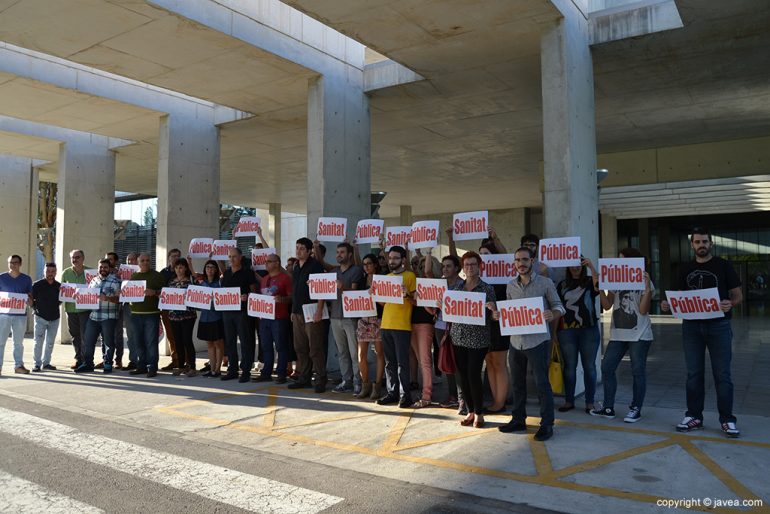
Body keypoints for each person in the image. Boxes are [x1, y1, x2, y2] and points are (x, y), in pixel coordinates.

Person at [661, 227, 742, 437]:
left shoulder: (724, 265)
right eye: (697, 242)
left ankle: (727, 420)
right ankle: (694, 416)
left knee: (722, 374)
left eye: (705, 242)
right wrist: (668, 305)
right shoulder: (685, 269)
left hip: (719, 326)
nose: (701, 245)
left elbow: (737, 295)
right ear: (692, 245)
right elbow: (678, 297)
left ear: (711, 244)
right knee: (693, 374)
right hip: (692, 327)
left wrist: (730, 303)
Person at [497, 246, 564, 441]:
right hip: (516, 342)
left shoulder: (545, 283)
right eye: (517, 260)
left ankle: (547, 424)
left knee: (542, 384)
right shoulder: (510, 286)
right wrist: (498, 315)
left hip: (538, 341)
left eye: (525, 260)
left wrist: (553, 314)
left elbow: (559, 306)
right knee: (517, 384)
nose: (521, 264)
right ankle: (518, 420)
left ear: (532, 261)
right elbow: (508, 313)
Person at [591, 248, 654, 424]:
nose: (618, 263)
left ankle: (636, 409)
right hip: (618, 334)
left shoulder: (644, 280)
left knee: (637, 372)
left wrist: (647, 288)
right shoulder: (614, 279)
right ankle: (608, 407)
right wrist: (601, 289)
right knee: (607, 367)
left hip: (640, 335)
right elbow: (607, 305)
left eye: (622, 260)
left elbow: (643, 310)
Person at [448, 252, 497, 428]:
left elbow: (494, 317)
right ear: (463, 267)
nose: (470, 267)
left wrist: (493, 311)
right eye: (467, 264)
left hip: (479, 339)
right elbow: (449, 312)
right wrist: (442, 306)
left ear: (479, 266)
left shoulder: (487, 289)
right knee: (462, 377)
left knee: (474, 374)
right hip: (458, 337)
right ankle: (470, 411)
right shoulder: (456, 288)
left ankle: (479, 413)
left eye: (473, 264)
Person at [316, 241, 364, 394]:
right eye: (337, 252)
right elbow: (321, 263)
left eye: (342, 252)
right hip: (335, 316)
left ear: (349, 254)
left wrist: (343, 287)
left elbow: (354, 294)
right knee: (342, 352)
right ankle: (346, 380)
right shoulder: (334, 272)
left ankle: (358, 381)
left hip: (351, 317)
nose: (339, 255)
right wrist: (315, 285)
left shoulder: (356, 270)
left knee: (354, 352)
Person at [555, 257, 600, 413]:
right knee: (569, 367)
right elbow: (557, 309)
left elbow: (599, 287)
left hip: (589, 330)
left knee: (589, 367)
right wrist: (555, 332)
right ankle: (569, 401)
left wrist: (592, 266)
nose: (575, 267)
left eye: (578, 264)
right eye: (572, 264)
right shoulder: (562, 285)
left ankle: (590, 402)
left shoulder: (589, 281)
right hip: (566, 331)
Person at [376, 245, 417, 408]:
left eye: (395, 258)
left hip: (402, 326)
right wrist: (375, 294)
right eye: (390, 258)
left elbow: (416, 301)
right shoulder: (386, 277)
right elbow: (383, 303)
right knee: (389, 363)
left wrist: (407, 293)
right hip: (386, 324)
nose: (391, 261)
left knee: (402, 363)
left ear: (403, 260)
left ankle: (405, 395)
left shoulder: (410, 276)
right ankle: (392, 393)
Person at [288, 238, 327, 393]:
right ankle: (304, 377)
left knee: (315, 348)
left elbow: (322, 289)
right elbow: (295, 291)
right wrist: (292, 310)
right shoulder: (296, 266)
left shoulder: (316, 266)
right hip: (297, 312)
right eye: (297, 247)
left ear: (310, 250)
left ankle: (320, 379)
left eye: (302, 248)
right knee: (300, 347)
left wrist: (319, 310)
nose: (298, 251)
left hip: (312, 312)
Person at [219, 247, 258, 383]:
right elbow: (222, 292)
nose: (231, 259)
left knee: (245, 341)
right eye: (229, 257)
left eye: (234, 256)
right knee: (230, 342)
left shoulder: (247, 273)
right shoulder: (226, 274)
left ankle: (246, 370)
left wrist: (247, 296)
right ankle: (233, 369)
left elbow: (254, 292)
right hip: (227, 313)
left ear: (240, 257)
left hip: (242, 312)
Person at [77, 259, 121, 373]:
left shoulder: (116, 281)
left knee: (108, 342)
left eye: (105, 267)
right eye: (100, 267)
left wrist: (107, 298)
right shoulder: (93, 281)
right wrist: (78, 296)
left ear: (110, 268)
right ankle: (88, 364)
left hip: (109, 316)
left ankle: (107, 363)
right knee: (88, 340)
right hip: (94, 315)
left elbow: (119, 299)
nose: (103, 269)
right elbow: (88, 296)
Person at [434, 254, 465, 412]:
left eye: (448, 266)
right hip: (440, 327)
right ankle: (453, 395)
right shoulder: (439, 284)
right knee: (447, 362)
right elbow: (432, 309)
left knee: (459, 363)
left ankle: (462, 398)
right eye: (443, 266)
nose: (445, 269)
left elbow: (463, 309)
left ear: (457, 268)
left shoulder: (463, 285)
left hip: (457, 328)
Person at [354, 252, 385, 400]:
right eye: (364, 264)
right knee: (361, 355)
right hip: (363, 320)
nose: (366, 267)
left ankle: (377, 386)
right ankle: (365, 384)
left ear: (375, 265)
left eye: (369, 264)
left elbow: (384, 303)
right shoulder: (361, 280)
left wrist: (376, 295)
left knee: (380, 353)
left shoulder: (381, 280)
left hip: (378, 319)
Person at [128, 253, 166, 377]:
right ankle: (142, 366)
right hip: (135, 314)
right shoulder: (133, 276)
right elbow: (128, 293)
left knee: (151, 342)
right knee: (138, 342)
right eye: (142, 260)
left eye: (147, 260)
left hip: (151, 314)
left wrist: (154, 292)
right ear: (138, 262)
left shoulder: (157, 276)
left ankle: (152, 367)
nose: (145, 262)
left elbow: (166, 293)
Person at [256, 254, 292, 383]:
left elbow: (291, 297)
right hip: (265, 317)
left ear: (277, 263)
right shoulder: (264, 279)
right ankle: (267, 372)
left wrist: (282, 299)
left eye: (269, 261)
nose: (266, 264)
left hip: (279, 317)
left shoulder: (285, 278)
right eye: (266, 261)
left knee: (281, 346)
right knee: (266, 346)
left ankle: (281, 373)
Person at [410, 250, 439, 408]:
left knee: (425, 361)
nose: (421, 267)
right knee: (420, 361)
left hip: (425, 325)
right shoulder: (416, 281)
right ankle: (424, 391)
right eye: (419, 264)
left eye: (424, 264)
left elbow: (432, 311)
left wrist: (427, 252)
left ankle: (427, 395)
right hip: (412, 323)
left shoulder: (432, 281)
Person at [0, 254, 33, 375]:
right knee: (1, 341)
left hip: (20, 316)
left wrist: (30, 300)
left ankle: (18, 366)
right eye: (10, 263)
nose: (13, 265)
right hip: (3, 315)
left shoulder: (26, 279)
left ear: (20, 264)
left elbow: (30, 297)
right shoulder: (1, 277)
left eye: (15, 262)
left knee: (18, 342)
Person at [192, 259, 225, 378]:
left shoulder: (220, 283)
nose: (209, 269)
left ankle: (218, 369)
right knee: (209, 344)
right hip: (205, 318)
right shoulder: (202, 284)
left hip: (216, 317)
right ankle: (212, 369)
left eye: (212, 267)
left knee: (218, 343)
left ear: (216, 269)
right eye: (207, 267)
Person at [167, 259, 198, 377]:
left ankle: (192, 366)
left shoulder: (191, 281)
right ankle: (180, 366)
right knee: (178, 341)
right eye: (176, 267)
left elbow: (198, 292)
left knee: (187, 340)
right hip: (174, 316)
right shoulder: (171, 282)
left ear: (185, 268)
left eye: (181, 267)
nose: (179, 270)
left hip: (188, 315)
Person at [61, 249, 89, 369]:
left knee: (86, 336)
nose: (74, 260)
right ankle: (78, 359)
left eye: (77, 257)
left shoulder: (90, 272)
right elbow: (62, 291)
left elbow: (94, 289)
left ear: (83, 258)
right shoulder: (65, 273)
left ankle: (86, 360)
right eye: (72, 257)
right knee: (75, 336)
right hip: (71, 310)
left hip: (85, 309)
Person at [31, 262, 61, 372]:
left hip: (54, 318)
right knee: (38, 342)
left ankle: (46, 363)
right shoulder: (36, 285)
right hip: (40, 317)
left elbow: (61, 300)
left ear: (56, 272)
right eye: (48, 271)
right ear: (44, 271)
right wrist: (34, 308)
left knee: (50, 342)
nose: (50, 273)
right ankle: (37, 364)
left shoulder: (59, 286)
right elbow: (30, 300)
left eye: (53, 271)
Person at [159, 248, 182, 371]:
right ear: (169, 258)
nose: (175, 258)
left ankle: (185, 361)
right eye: (173, 256)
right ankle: (175, 361)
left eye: (178, 256)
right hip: (167, 309)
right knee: (171, 336)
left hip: (182, 310)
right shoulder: (163, 273)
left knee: (182, 336)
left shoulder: (184, 271)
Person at [122, 252, 139, 371]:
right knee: (131, 335)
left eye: (133, 260)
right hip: (127, 306)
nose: (130, 262)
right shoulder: (122, 274)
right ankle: (133, 360)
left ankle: (144, 360)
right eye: (128, 260)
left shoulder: (143, 273)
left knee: (142, 335)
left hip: (141, 308)